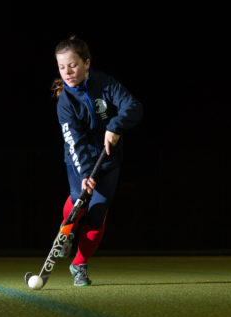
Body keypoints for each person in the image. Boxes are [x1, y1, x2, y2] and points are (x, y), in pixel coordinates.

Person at [51, 35, 143, 286]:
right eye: (62, 67)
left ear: (87, 63)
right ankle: (66, 231)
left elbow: (133, 106)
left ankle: (78, 265)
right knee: (78, 199)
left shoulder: (104, 84)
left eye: (73, 65)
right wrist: (84, 174)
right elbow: (75, 141)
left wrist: (114, 126)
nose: (67, 72)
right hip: (78, 161)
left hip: (109, 160)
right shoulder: (65, 103)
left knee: (97, 213)